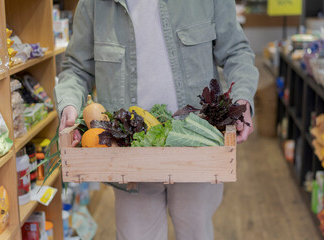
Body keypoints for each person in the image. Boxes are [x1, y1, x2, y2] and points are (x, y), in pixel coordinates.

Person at [54, 0, 259, 239]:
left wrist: (242, 99)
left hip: (197, 148)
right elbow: (77, 68)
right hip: (127, 155)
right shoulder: (95, 4)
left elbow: (237, 51)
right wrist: (69, 103)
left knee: (196, 231)